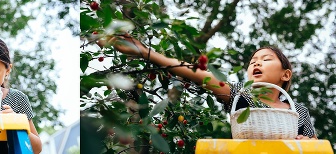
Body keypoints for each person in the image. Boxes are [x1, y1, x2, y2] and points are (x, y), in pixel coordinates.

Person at [98, 34, 316, 140]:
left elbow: (317, 146)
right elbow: (200, 75)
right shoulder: (242, 96)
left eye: (266, 59)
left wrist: (308, 142)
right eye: (253, 61)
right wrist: (145, 52)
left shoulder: (299, 112)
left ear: (285, 74)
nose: (257, 63)